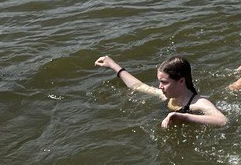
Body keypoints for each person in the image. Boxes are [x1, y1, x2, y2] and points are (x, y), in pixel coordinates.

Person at [94, 55, 227, 128]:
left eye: (164, 82)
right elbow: (138, 86)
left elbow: (222, 120)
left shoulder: (199, 103)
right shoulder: (168, 97)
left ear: (181, 81)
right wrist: (113, 65)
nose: (160, 86)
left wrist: (184, 116)